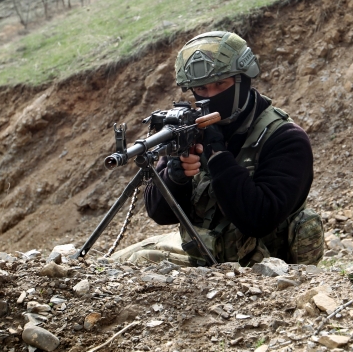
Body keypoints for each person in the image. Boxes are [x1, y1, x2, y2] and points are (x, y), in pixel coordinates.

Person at [111, 31, 323, 266]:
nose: (210, 97)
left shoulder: (285, 138)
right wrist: (175, 177)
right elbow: (159, 214)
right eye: (201, 90)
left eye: (220, 84)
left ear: (244, 79)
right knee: (115, 263)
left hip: (266, 266)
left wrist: (218, 156)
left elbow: (259, 219)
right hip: (202, 251)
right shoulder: (191, 126)